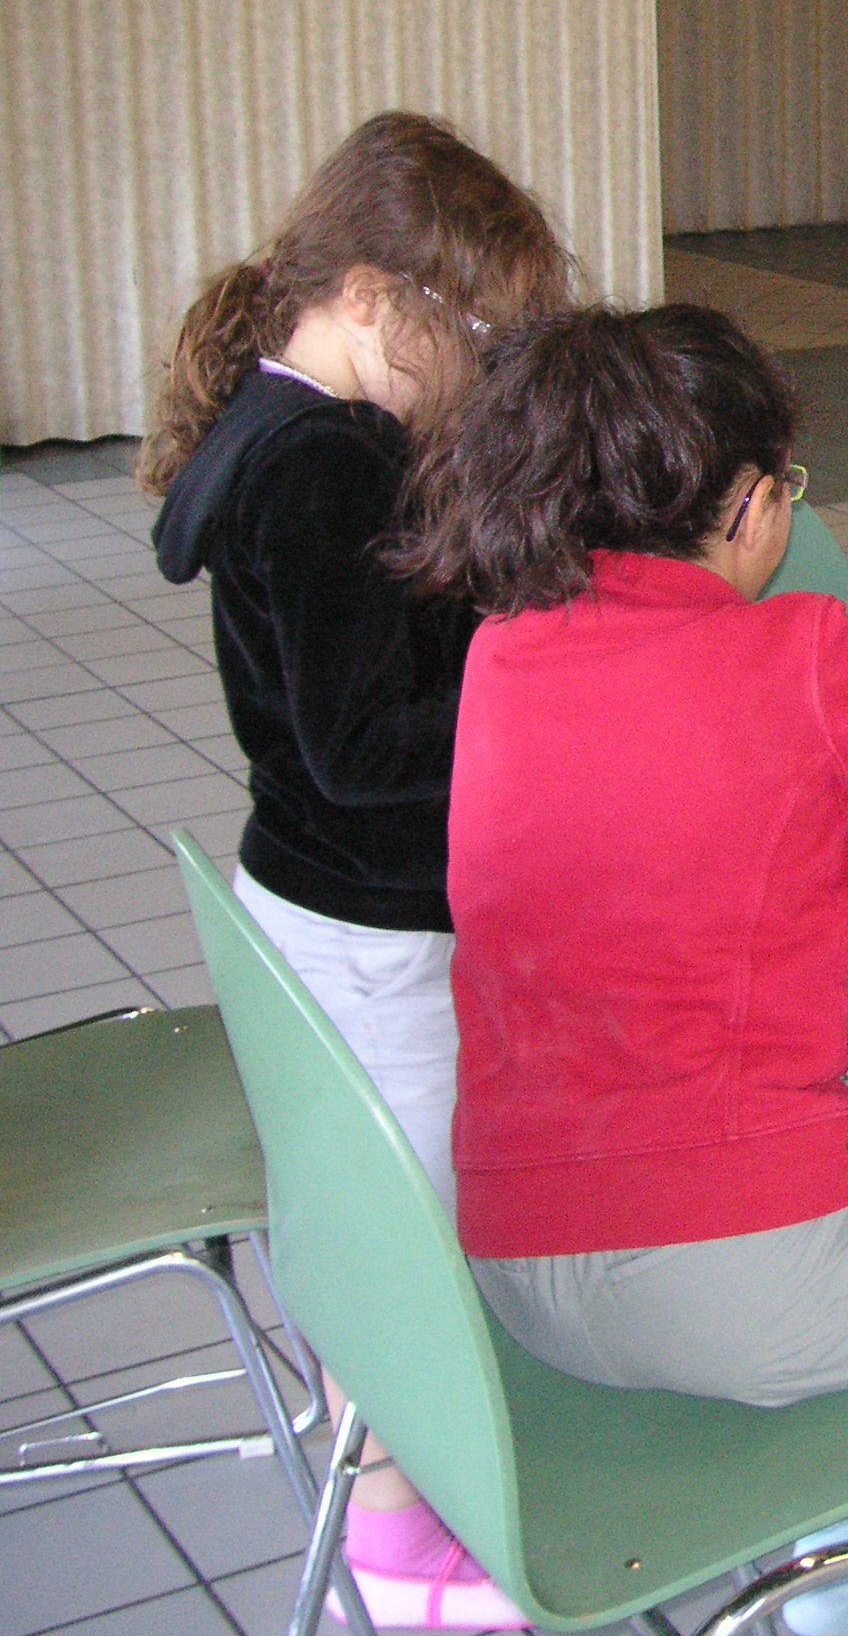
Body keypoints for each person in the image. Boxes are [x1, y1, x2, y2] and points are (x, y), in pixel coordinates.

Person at [402, 304, 848, 1636]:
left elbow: (668, 760)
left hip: (513, 1259)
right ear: (741, 506)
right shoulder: (792, 654)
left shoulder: (506, 649)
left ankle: (841, 1515)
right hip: (737, 1276)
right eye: (786, 487)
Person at [140, 111, 574, 1628]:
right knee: (395, 1232)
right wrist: (536, 691)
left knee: (383, 1207)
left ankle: (403, 1463)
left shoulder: (298, 427)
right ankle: (389, 1545)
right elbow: (361, 741)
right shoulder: (322, 466)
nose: (488, 372)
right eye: (480, 337)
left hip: (323, 902)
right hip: (367, 924)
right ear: (375, 299)